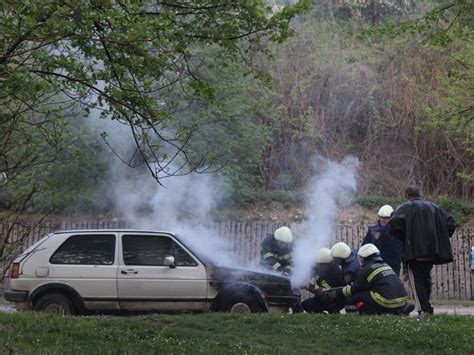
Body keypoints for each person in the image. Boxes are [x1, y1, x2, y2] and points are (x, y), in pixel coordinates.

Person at [389, 186, 457, 315]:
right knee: (425, 279)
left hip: (414, 252)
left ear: (406, 196)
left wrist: (405, 236)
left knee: (416, 281)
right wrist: (440, 236)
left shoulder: (406, 207)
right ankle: (427, 307)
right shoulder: (434, 207)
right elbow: (451, 223)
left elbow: (394, 224)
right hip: (432, 252)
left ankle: (423, 309)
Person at [328, 243, 413, 315]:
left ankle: (372, 313)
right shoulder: (385, 264)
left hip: (387, 301)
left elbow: (356, 288)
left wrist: (336, 292)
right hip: (402, 299)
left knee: (356, 296)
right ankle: (399, 310)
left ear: (364, 257)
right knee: (370, 294)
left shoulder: (367, 269)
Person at [362, 204, 403, 275]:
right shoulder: (373, 230)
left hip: (393, 264)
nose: (383, 220)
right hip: (376, 263)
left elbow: (400, 248)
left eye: (386, 218)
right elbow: (365, 246)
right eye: (381, 217)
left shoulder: (397, 231)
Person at [302, 248, 345, 314]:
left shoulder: (334, 272)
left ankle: (334, 313)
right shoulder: (318, 267)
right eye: (319, 264)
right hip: (321, 297)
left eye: (323, 265)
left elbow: (322, 292)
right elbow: (310, 273)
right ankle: (322, 315)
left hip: (333, 299)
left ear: (329, 264)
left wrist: (308, 286)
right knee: (306, 304)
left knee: (327, 300)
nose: (320, 267)